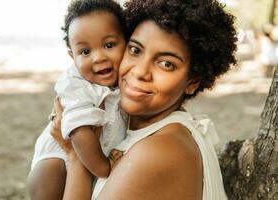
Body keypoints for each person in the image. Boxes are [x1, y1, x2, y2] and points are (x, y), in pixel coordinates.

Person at [50, 0, 238, 199]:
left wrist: (75, 156)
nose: (140, 71)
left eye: (166, 63)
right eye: (135, 50)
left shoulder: (157, 151)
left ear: (193, 82)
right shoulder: (156, 131)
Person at [27, 0, 129, 199]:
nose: (98, 57)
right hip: (57, 158)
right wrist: (103, 168)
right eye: (85, 52)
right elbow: (79, 131)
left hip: (89, 157)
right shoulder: (75, 84)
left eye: (109, 45)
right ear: (72, 56)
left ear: (126, 41)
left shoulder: (124, 82)